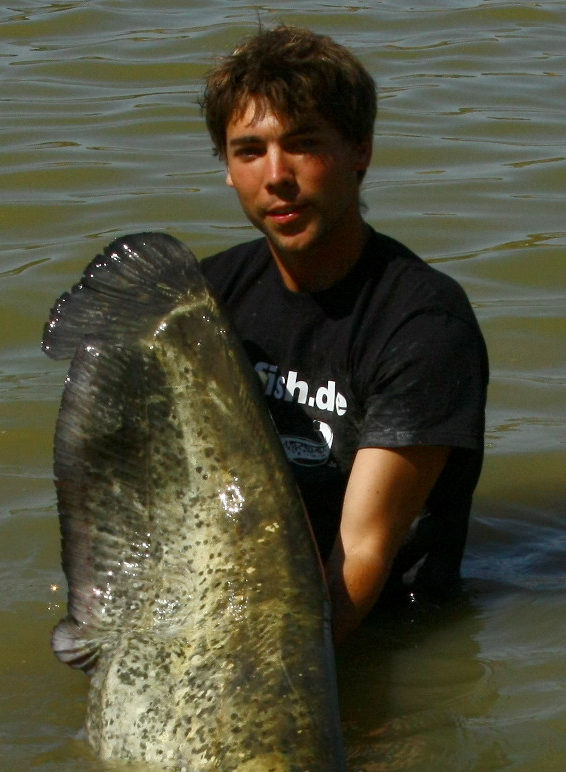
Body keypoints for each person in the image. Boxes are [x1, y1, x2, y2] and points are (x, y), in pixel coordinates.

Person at [198, 27, 488, 642]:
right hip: (257, 607)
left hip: (386, 629)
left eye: (302, 145)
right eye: (249, 151)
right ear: (226, 168)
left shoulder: (424, 325)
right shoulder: (207, 296)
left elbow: (362, 551)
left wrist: (276, 692)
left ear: (360, 150)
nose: (276, 175)